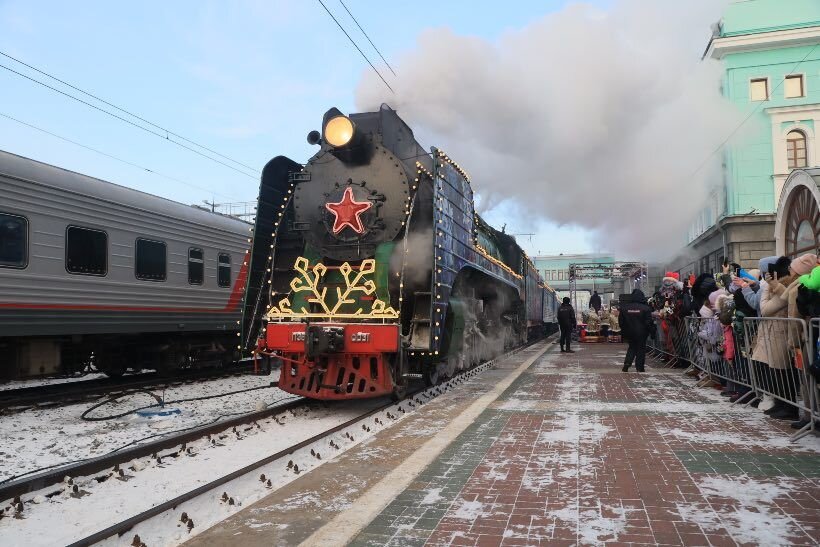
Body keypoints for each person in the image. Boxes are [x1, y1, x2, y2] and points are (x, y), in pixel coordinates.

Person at [619, 289, 654, 372]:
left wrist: (624, 330)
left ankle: (627, 364)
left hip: (629, 332)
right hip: (642, 332)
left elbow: (621, 321)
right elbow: (648, 322)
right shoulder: (646, 308)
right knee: (641, 349)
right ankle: (639, 367)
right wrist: (652, 331)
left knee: (632, 347)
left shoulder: (624, 308)